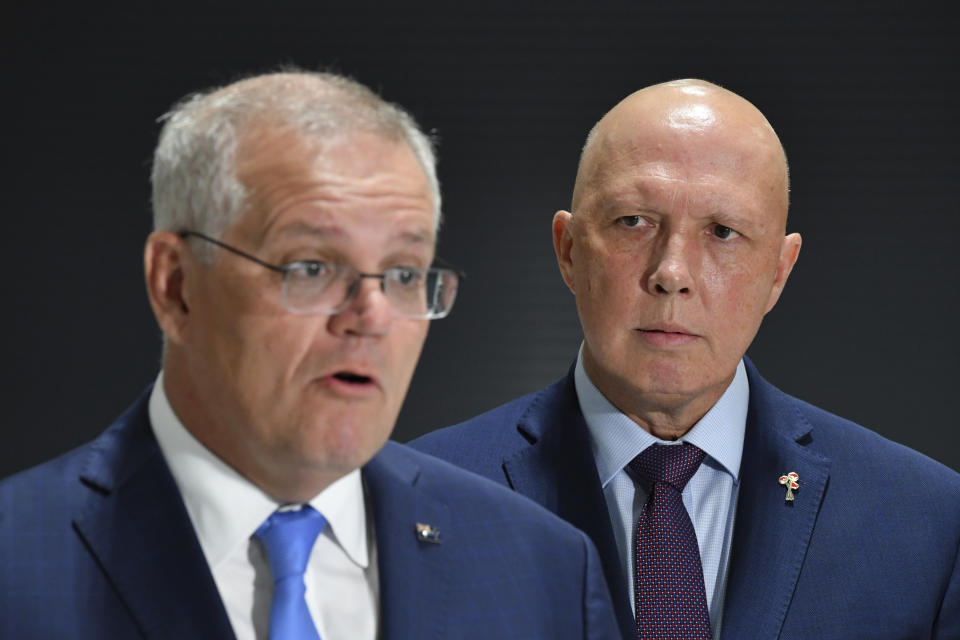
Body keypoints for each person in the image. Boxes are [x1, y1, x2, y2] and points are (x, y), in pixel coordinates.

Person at [0, 71, 619, 639]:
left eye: (403, 274)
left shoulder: (544, 571)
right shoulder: (18, 560)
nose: (371, 317)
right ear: (176, 285)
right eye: (312, 267)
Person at [412, 79, 960, 639]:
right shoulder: (414, 500)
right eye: (633, 222)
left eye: (723, 231)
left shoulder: (929, 523)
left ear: (778, 272)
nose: (671, 272)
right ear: (569, 250)